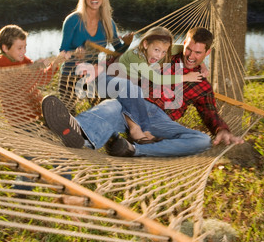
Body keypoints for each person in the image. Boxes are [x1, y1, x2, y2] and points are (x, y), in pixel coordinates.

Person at [41, 27, 243, 157]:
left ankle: (135, 150)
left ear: (207, 53)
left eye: (198, 53)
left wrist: (221, 129)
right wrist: (101, 68)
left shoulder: (202, 84)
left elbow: (210, 112)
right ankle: (78, 132)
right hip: (133, 104)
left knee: (201, 141)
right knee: (112, 106)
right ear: (183, 45)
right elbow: (127, 62)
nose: (190, 55)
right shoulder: (164, 54)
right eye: (188, 49)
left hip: (160, 120)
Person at [90, 26, 206, 143]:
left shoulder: (157, 51)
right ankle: (137, 131)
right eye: (156, 50)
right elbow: (157, 79)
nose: (159, 56)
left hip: (126, 86)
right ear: (145, 44)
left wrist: (201, 63)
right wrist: (186, 77)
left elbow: (186, 50)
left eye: (164, 52)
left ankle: (143, 132)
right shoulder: (136, 57)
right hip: (108, 82)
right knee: (133, 92)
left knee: (137, 93)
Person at [58, 0, 134, 113]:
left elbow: (118, 51)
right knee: (68, 114)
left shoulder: (107, 23)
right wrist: (75, 52)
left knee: (102, 110)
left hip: (92, 73)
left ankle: (103, 131)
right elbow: (63, 50)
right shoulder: (73, 20)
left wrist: (127, 44)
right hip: (70, 73)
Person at [0, 24, 70, 125]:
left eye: (25, 47)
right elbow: (13, 74)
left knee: (60, 121)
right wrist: (33, 67)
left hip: (38, 111)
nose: (24, 51)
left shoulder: (25, 60)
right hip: (19, 118)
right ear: (5, 48)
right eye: (19, 48)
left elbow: (42, 79)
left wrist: (54, 64)